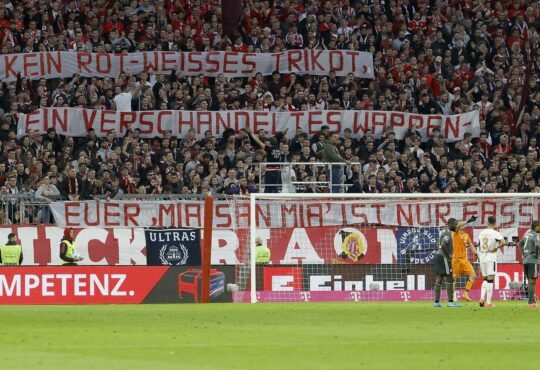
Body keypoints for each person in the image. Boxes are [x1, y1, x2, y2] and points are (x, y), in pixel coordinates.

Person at [477, 216, 506, 308]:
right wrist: (495, 247)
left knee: (485, 279)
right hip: (490, 257)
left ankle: (482, 299)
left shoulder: (481, 233)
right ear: (494, 223)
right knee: (490, 280)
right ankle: (488, 303)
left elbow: (479, 245)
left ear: (487, 222)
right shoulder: (495, 233)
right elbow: (503, 242)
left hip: (482, 258)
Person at [433, 218, 460, 307]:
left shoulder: (442, 231)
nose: (456, 226)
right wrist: (448, 255)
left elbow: (438, 243)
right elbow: (444, 244)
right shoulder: (447, 232)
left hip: (438, 255)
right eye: (455, 224)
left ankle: (436, 303)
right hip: (444, 257)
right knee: (450, 278)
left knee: (439, 278)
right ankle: (451, 302)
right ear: (451, 224)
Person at [452, 216, 478, 301]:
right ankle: (452, 296)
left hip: (464, 260)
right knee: (454, 278)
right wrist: (469, 220)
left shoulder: (466, 235)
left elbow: (471, 246)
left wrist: (476, 253)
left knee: (473, 275)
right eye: (461, 224)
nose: (463, 225)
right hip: (456, 259)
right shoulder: (455, 233)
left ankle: (465, 294)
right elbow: (459, 225)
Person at [518, 220, 540, 307]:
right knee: (532, 281)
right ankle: (531, 302)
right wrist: (537, 254)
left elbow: (520, 244)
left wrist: (524, 254)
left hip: (526, 260)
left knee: (530, 281)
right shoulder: (535, 235)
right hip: (533, 260)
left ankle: (532, 301)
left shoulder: (527, 234)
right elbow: (538, 246)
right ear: (536, 226)